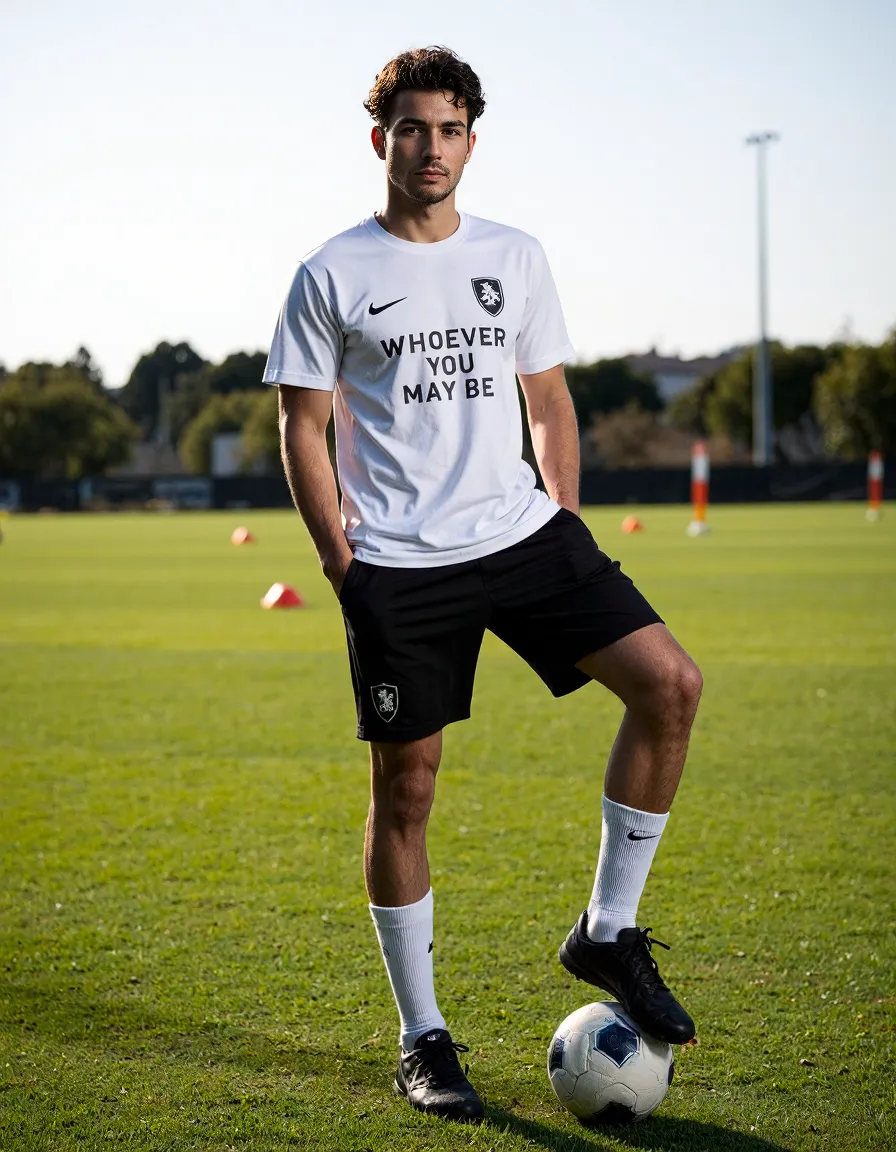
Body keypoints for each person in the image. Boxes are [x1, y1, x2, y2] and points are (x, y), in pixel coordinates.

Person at [263, 46, 702, 1125]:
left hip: (523, 535)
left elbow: (546, 399)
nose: (431, 148)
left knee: (670, 684)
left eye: (450, 128)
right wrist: (339, 562)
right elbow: (302, 426)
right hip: (399, 564)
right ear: (382, 141)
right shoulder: (331, 271)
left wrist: (564, 513)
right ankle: (422, 1039)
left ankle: (606, 929)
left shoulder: (514, 255)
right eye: (412, 128)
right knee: (405, 790)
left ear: (470, 140)